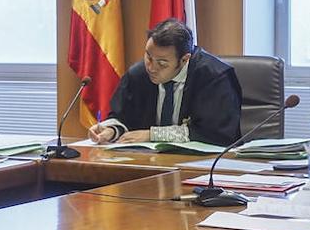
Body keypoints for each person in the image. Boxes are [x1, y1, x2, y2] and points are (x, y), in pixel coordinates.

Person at [88, 18, 243, 146]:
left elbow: (216, 132)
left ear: (184, 59)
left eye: (162, 63)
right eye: (148, 57)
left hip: (201, 166)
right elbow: (122, 115)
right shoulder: (138, 74)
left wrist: (153, 135)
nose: (151, 68)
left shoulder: (214, 77)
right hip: (147, 161)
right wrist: (111, 129)